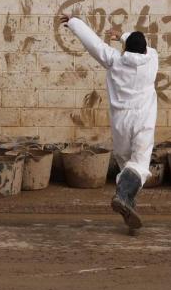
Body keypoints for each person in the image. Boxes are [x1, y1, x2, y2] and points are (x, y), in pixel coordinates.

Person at [59, 14, 158, 233]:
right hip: (143, 121)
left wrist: (74, 21)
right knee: (140, 164)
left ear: (126, 49)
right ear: (143, 50)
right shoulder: (152, 59)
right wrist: (123, 35)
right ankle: (124, 195)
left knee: (124, 162)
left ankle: (127, 201)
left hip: (120, 122)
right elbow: (143, 46)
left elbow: (92, 43)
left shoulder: (114, 60)